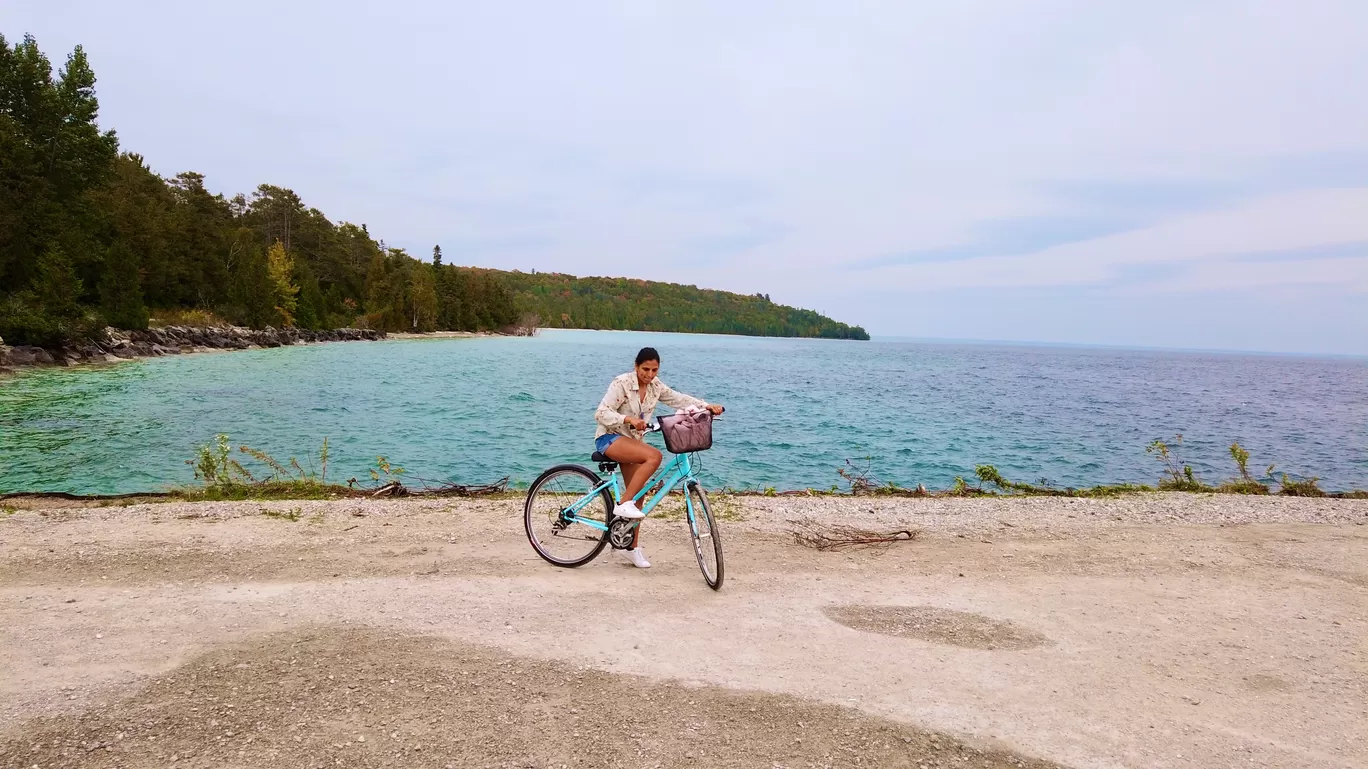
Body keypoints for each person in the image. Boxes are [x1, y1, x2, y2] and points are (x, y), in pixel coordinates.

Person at [594, 347, 724, 568]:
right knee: (653, 456)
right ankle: (623, 503)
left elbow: (678, 399)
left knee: (640, 496)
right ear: (636, 366)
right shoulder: (622, 383)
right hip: (609, 438)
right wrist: (629, 420)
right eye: (646, 369)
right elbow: (601, 413)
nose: (650, 374)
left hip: (633, 444)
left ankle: (630, 548)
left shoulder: (655, 386)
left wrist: (706, 406)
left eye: (654, 370)